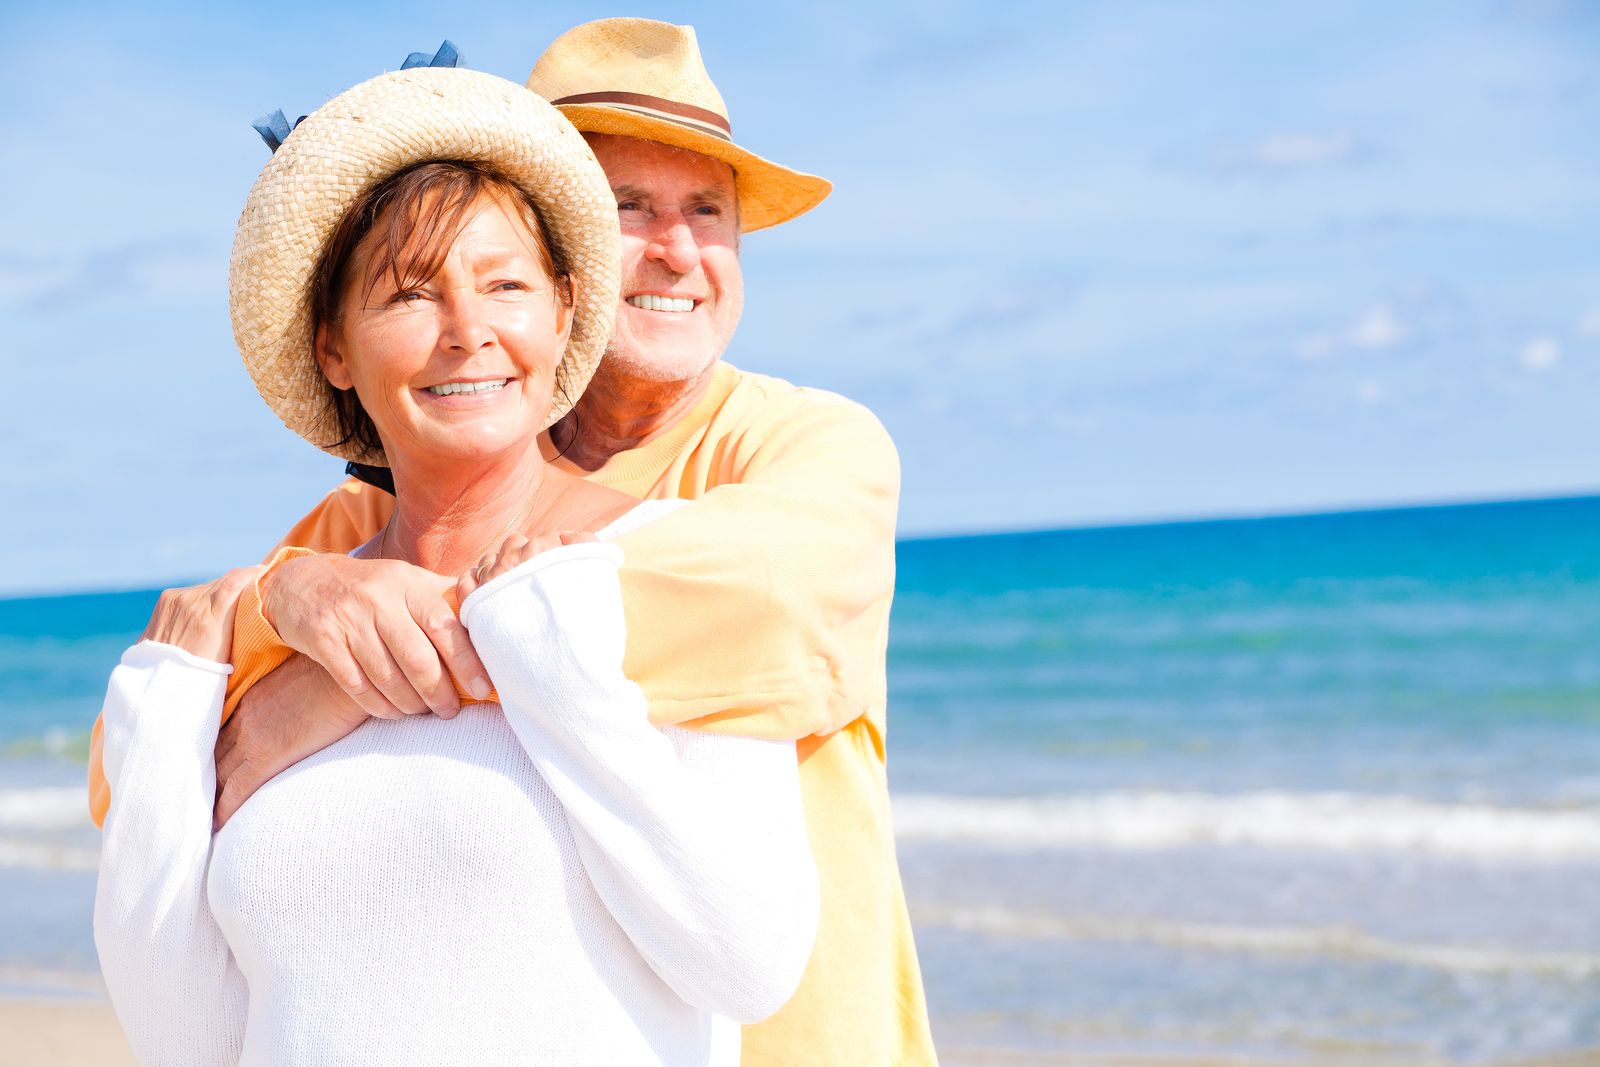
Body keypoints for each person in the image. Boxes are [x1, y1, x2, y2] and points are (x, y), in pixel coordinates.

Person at [89, 18, 940, 1066]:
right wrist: (291, 598)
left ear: (552, 288)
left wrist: (339, 679)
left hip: (813, 1039)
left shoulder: (798, 447)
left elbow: (758, 599)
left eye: (706, 211)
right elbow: (142, 772)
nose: (675, 249)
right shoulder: (368, 514)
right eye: (630, 206)